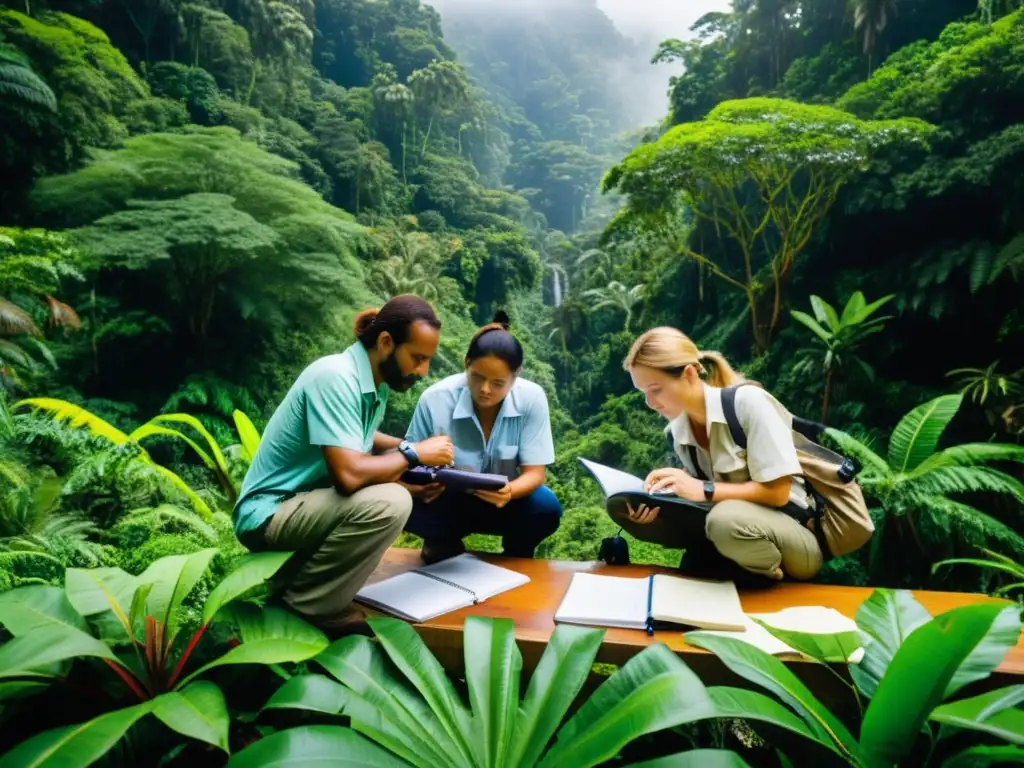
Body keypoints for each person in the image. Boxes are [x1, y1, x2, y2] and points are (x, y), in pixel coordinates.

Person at [231, 294, 455, 635]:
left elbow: (361, 438)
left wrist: (407, 453)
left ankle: (296, 583)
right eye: (418, 358)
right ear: (385, 342)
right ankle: (304, 607)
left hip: (303, 504)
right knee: (392, 503)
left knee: (400, 493)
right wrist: (414, 454)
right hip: (268, 512)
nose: (422, 371)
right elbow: (349, 476)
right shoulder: (335, 376)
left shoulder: (372, 385)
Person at [615, 326, 823, 584]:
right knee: (622, 509)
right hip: (731, 536)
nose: (649, 402)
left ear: (689, 374)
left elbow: (778, 493)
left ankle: (772, 581)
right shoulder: (676, 432)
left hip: (794, 538)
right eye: (643, 393)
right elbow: (699, 506)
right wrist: (654, 510)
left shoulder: (749, 403)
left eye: (655, 389)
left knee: (724, 520)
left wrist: (703, 488)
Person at [403, 312, 562, 563]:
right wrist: (417, 488)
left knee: (546, 508)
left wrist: (510, 491)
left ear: (515, 376)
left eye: (498, 383)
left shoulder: (531, 399)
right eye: (477, 377)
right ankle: (441, 542)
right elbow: (407, 465)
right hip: (446, 503)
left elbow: (535, 473)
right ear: (466, 363)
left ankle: (517, 551)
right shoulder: (435, 399)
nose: (485, 389)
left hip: (504, 502)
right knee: (401, 505)